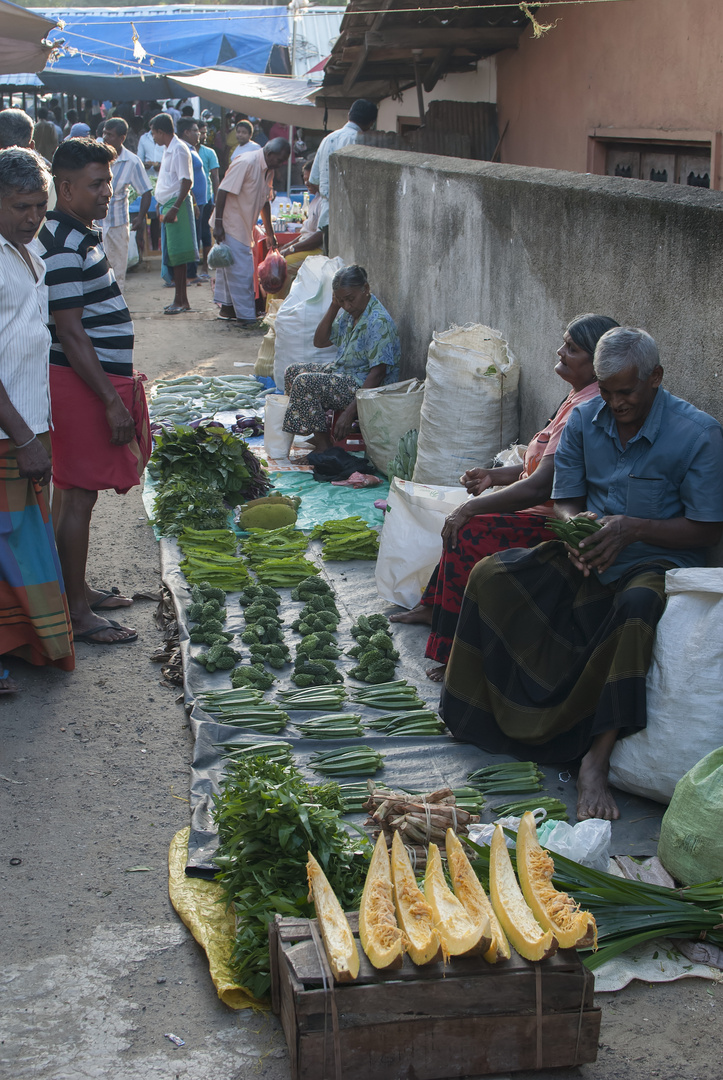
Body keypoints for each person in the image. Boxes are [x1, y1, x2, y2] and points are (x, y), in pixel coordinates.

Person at [440, 327, 723, 821]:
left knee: (634, 610)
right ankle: (480, 712)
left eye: (627, 392)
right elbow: (567, 499)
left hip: (658, 561)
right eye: (608, 392)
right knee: (493, 575)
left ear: (655, 378)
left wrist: (632, 529)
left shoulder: (697, 433)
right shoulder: (585, 420)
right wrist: (576, 531)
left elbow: (707, 527)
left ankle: (596, 758)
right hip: (591, 550)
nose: (615, 404)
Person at [391, 314, 620, 680]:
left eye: (572, 348)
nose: (559, 351)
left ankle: (456, 650)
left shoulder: (587, 407)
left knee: (468, 528)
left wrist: (472, 507)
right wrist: (493, 476)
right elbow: (536, 465)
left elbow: (542, 486)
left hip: (551, 521)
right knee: (462, 519)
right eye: (564, 343)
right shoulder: (574, 397)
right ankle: (433, 606)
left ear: (596, 364)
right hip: (535, 507)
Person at [35, 137, 151, 646]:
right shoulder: (62, 240)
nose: (108, 190)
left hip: (83, 379)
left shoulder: (76, 232)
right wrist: (108, 399)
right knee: (78, 495)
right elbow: (70, 330)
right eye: (96, 183)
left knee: (72, 491)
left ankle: (74, 591)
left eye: (108, 180)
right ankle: (77, 612)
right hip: (80, 382)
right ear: (65, 187)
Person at [0, 147, 74, 690]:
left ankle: (25, 644)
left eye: (39, 208)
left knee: (23, 543)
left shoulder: (29, 253)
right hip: (9, 429)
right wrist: (23, 437)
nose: (32, 218)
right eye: (21, 207)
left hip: (29, 419)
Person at [282, 264, 400, 450]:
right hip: (344, 372)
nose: (347, 305)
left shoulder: (378, 322)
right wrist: (333, 306)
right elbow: (320, 341)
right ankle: (321, 434)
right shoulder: (350, 313)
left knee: (305, 383)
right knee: (293, 372)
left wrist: (350, 412)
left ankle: (324, 447)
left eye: (350, 299)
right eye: (342, 300)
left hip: (364, 385)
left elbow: (377, 375)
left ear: (366, 289)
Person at [212, 137, 290, 327]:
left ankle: (228, 309)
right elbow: (222, 191)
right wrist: (219, 223)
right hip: (230, 223)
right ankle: (246, 317)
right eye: (279, 160)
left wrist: (270, 233)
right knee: (243, 272)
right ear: (270, 154)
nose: (281, 165)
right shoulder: (246, 162)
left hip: (244, 224)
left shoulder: (268, 170)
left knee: (228, 271)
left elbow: (264, 201)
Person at [310, 100, 377, 253]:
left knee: (332, 269)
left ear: (349, 115)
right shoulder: (360, 141)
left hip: (328, 216)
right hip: (352, 219)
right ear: (371, 123)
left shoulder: (328, 139)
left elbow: (314, 180)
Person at [98, 118, 152, 292]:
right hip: (95, 223)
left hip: (118, 223)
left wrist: (140, 217)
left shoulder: (132, 161)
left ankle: (116, 305)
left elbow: (146, 191)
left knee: (117, 268)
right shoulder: (95, 153)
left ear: (122, 138)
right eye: (104, 133)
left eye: (110, 135)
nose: (105, 137)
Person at [150, 112, 195, 314]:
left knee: (178, 255)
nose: (153, 137)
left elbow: (186, 181)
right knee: (173, 255)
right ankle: (179, 299)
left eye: (154, 133)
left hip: (177, 205)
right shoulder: (169, 149)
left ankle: (181, 300)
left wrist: (175, 207)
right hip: (168, 204)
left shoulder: (179, 149)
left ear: (161, 131)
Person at [271, 158, 323, 300]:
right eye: (304, 179)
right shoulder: (315, 199)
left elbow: (318, 236)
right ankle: (271, 310)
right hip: (307, 247)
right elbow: (305, 232)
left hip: (317, 251)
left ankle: (276, 310)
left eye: (310, 179)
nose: (307, 183)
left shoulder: (323, 202)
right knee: (276, 262)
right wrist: (288, 245)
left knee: (282, 267)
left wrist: (293, 249)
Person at [177, 117, 209, 284]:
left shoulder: (192, 148)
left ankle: (193, 272)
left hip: (202, 200)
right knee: (193, 236)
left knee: (198, 235)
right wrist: (195, 203)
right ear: (186, 132)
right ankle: (191, 273)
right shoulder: (184, 150)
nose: (199, 134)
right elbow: (186, 179)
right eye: (196, 131)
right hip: (194, 201)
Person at [196, 120, 220, 270]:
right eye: (201, 132)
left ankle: (205, 265)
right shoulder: (186, 151)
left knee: (205, 231)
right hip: (191, 198)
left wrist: (216, 197)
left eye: (205, 132)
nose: (203, 135)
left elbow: (215, 176)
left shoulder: (209, 152)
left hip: (206, 198)